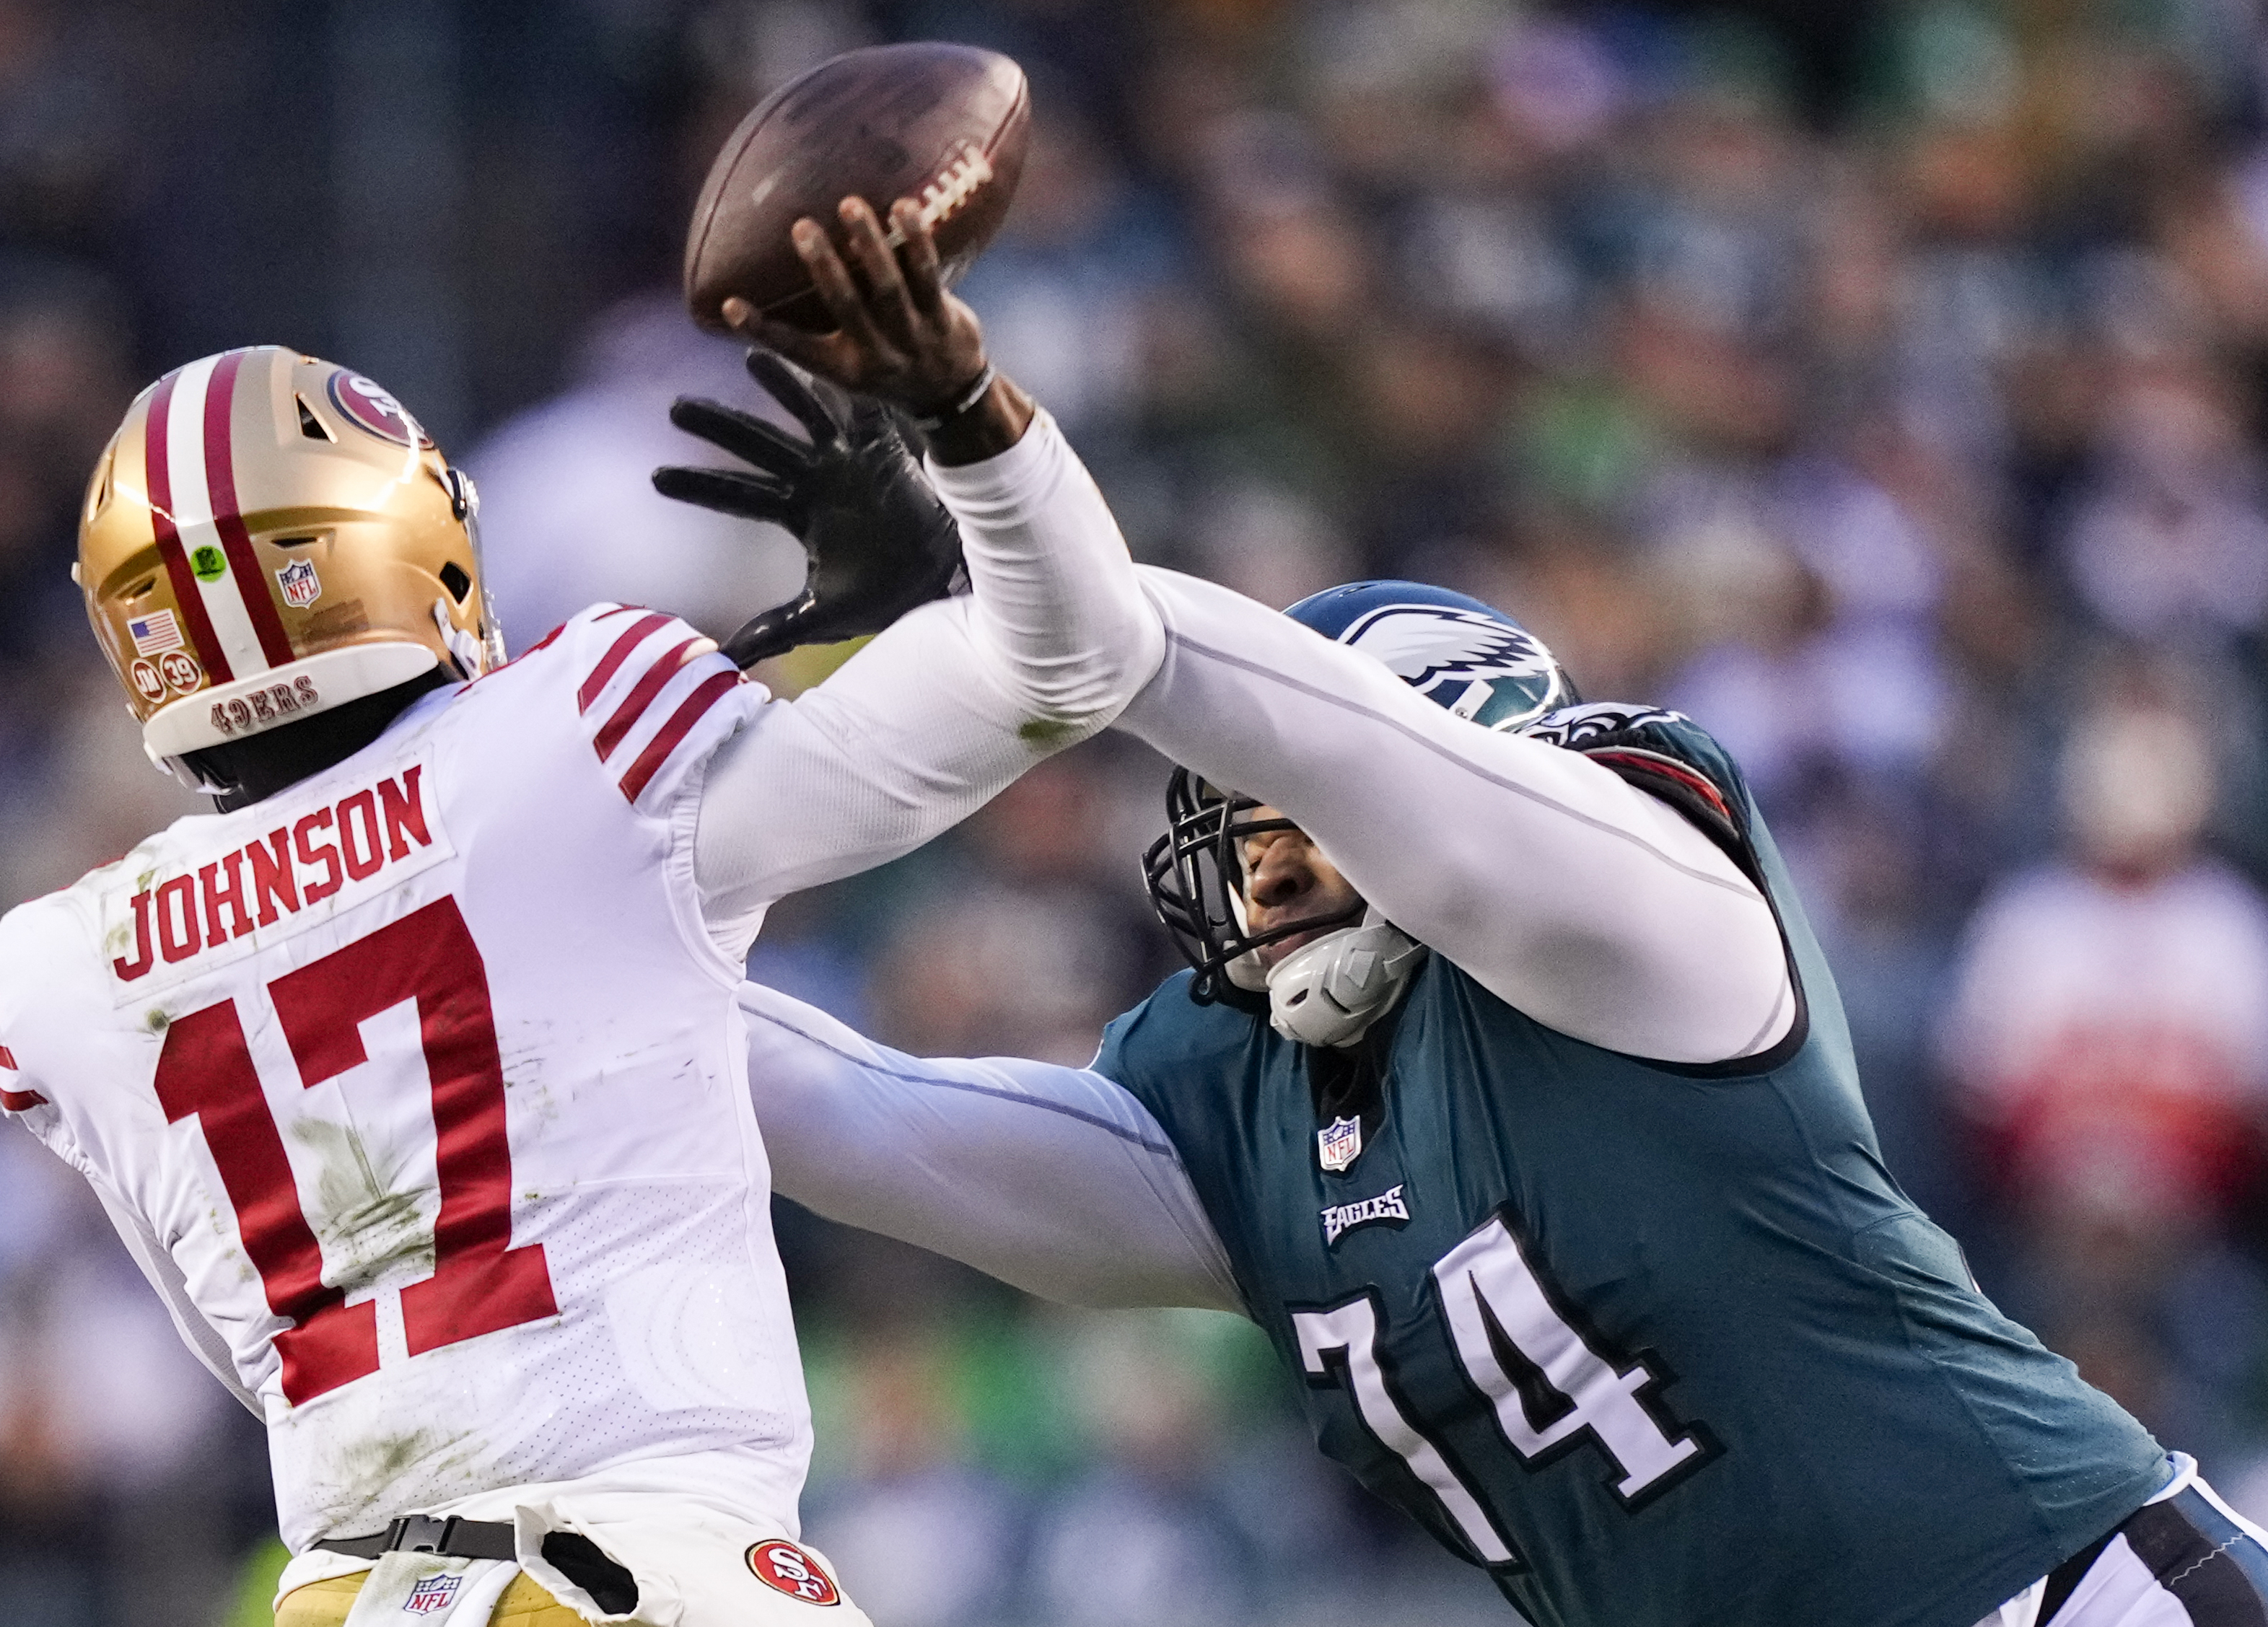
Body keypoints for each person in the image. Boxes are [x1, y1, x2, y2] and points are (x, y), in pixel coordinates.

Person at [672, 296, 2268, 1624]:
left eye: (1297, 804)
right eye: (1237, 828)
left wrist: (994, 521)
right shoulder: (1251, 1103)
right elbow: (841, 1112)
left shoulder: (1642, 923)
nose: (1267, 854)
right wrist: (557, 920)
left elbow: (1285, 723)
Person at [0, 196, 1163, 1627]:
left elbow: (255, 1346)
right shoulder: (576, 732)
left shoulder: (54, 970)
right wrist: (954, 497)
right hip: (649, 1574)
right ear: (410, 542)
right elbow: (1078, 659)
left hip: (340, 1594)